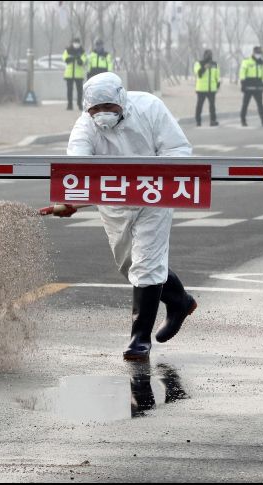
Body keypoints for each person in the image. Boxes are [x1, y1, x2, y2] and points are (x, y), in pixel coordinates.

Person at [61, 72, 198, 361]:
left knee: (146, 264)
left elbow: (177, 149)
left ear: (122, 100)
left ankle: (139, 339)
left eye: (109, 107)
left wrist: (162, 179)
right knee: (129, 264)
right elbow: (78, 167)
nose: (103, 114)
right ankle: (179, 300)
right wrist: (71, 200)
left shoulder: (149, 107)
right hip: (114, 203)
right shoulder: (85, 127)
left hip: (154, 195)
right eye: (96, 109)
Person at [239, 46, 263, 127]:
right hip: (248, 86)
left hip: (258, 86)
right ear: (253, 53)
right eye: (257, 53)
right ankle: (243, 120)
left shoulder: (261, 62)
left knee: (260, 105)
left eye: (260, 53)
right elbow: (242, 72)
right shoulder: (247, 61)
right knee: (245, 104)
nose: (259, 55)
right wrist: (242, 83)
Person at [193, 49, 220, 127]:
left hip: (212, 89)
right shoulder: (198, 63)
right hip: (201, 89)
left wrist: (218, 84)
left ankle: (213, 121)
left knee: (212, 106)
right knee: (199, 105)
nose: (209, 56)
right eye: (208, 55)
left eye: (210, 54)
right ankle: (198, 121)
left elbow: (217, 76)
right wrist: (205, 67)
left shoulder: (215, 64)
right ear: (204, 55)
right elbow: (198, 74)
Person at [62, 37, 87, 111]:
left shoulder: (82, 51)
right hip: (69, 74)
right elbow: (65, 59)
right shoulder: (68, 50)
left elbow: (82, 62)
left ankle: (79, 104)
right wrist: (74, 58)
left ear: (79, 43)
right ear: (72, 43)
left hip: (79, 74)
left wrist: (78, 58)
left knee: (79, 91)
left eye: (77, 42)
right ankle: (69, 104)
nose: (76, 44)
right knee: (69, 90)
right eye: (75, 42)